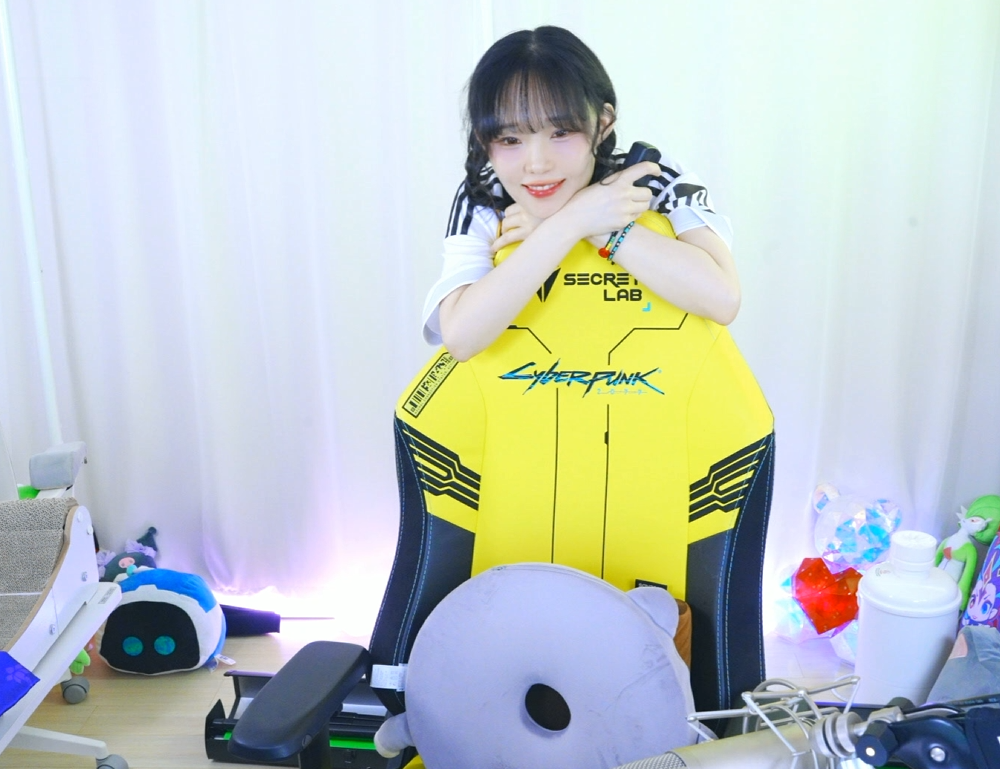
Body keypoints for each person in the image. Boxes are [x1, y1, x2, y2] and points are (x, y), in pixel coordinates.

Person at [421, 25, 740, 362]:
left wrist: (598, 226)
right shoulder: (485, 193)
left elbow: (722, 299)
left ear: (602, 124)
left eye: (561, 132)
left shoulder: (651, 176)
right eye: (510, 140)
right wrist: (572, 221)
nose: (537, 164)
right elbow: (461, 338)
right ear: (483, 140)